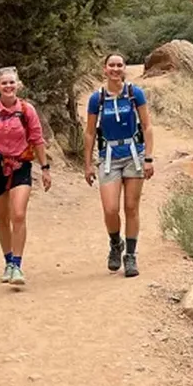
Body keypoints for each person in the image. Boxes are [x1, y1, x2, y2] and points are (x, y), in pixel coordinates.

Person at [0, 67, 52, 287]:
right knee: (2, 218)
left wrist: (45, 168)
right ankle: (8, 261)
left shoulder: (27, 110)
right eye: (4, 83)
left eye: (12, 83)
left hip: (20, 166)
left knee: (18, 214)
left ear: (18, 85)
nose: (8, 86)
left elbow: (37, 140)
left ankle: (17, 265)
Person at [84, 53, 155, 277]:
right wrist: (87, 164)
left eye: (119, 65)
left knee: (131, 207)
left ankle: (131, 255)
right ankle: (116, 244)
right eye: (111, 65)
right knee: (110, 209)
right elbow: (89, 132)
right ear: (104, 69)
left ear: (124, 68)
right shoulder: (97, 99)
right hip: (109, 157)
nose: (115, 69)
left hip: (133, 154)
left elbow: (147, 126)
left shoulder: (135, 94)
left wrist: (149, 158)